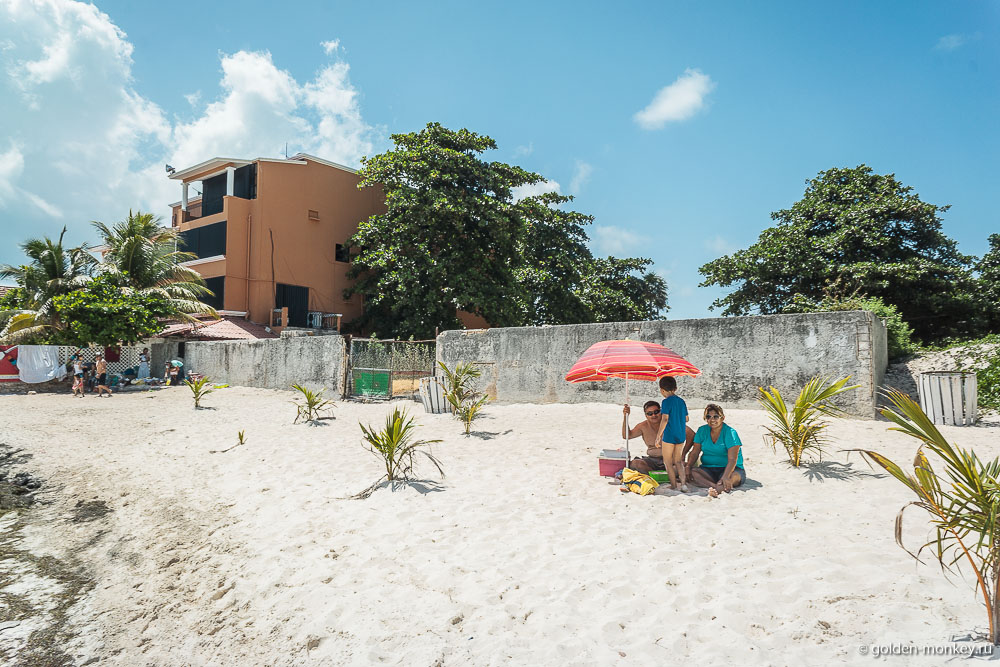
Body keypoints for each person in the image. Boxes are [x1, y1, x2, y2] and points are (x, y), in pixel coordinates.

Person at [687, 403, 746, 497]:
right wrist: (688, 466)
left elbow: (732, 459)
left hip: (731, 469)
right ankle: (715, 486)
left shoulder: (730, 433)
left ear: (722, 418)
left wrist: (725, 476)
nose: (712, 420)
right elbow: (695, 452)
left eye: (716, 417)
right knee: (693, 473)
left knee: (729, 479)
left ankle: (718, 488)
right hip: (708, 469)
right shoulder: (702, 430)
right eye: (708, 417)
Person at [623, 401, 695, 474]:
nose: (654, 415)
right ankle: (657, 475)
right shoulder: (643, 426)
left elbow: (691, 435)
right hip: (652, 460)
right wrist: (626, 417)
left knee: (683, 466)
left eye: (656, 412)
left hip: (671, 460)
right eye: (650, 413)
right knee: (635, 463)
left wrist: (683, 454)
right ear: (646, 415)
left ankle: (658, 475)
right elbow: (626, 436)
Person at [654, 376, 690, 492]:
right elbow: (687, 418)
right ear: (675, 388)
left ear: (662, 390)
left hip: (669, 435)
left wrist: (658, 435)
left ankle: (674, 485)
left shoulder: (665, 402)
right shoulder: (681, 401)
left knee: (668, 462)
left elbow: (664, 419)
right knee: (678, 461)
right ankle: (684, 485)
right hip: (680, 435)